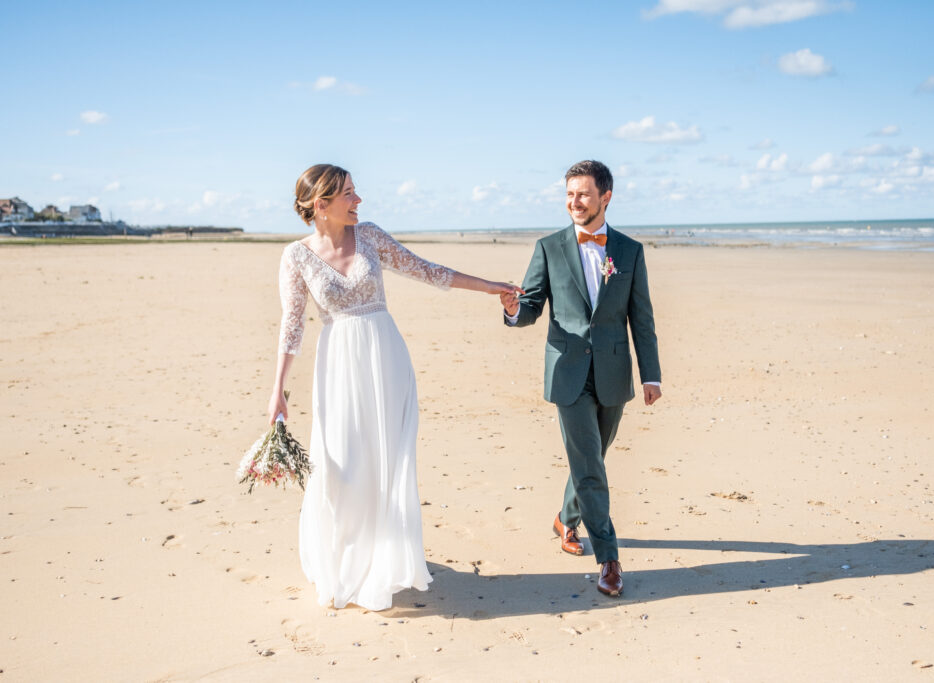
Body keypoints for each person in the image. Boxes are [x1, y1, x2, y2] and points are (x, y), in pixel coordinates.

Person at [269, 163, 522, 610]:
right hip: (339, 366)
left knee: (388, 461)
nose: (358, 200)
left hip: (386, 360)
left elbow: (428, 271)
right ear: (320, 205)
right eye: (348, 194)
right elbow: (292, 326)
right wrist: (278, 393)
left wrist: (490, 288)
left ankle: (383, 563)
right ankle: (345, 563)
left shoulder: (370, 236)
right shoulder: (296, 255)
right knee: (342, 464)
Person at [500, 160, 661, 597]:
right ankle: (609, 558)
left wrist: (653, 375)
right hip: (567, 372)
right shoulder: (549, 247)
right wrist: (514, 310)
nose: (574, 202)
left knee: (593, 459)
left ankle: (565, 519)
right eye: (569, 194)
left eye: (583, 194)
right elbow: (531, 306)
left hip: (613, 373)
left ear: (605, 197)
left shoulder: (629, 251)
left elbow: (640, 318)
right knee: (590, 466)